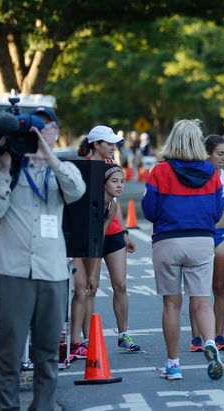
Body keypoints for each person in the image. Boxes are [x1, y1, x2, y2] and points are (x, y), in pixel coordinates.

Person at [0, 116, 86, 409]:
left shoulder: (62, 169)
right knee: (8, 352)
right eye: (34, 130)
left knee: (47, 353)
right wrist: (4, 168)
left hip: (52, 272)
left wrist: (49, 157)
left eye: (46, 129)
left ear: (55, 133)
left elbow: (77, 191)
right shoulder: (8, 166)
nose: (39, 134)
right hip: (13, 271)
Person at [142, 119, 224, 380]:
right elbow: (216, 212)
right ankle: (210, 342)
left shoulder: (159, 171)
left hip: (168, 240)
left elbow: (149, 211)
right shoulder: (212, 173)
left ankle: (174, 364)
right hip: (201, 240)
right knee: (201, 301)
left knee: (171, 304)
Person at [69, 126, 139, 360]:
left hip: (113, 232)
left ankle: (124, 335)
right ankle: (85, 340)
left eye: (114, 143)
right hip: (92, 234)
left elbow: (113, 205)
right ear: (95, 144)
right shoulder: (84, 168)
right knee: (90, 287)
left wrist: (126, 232)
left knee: (121, 285)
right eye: (108, 143)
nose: (113, 146)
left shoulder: (112, 166)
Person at [189, 135, 224, 351]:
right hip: (202, 235)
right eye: (220, 154)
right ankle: (196, 337)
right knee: (199, 288)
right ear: (208, 153)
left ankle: (218, 335)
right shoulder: (196, 176)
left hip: (223, 235)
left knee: (219, 287)